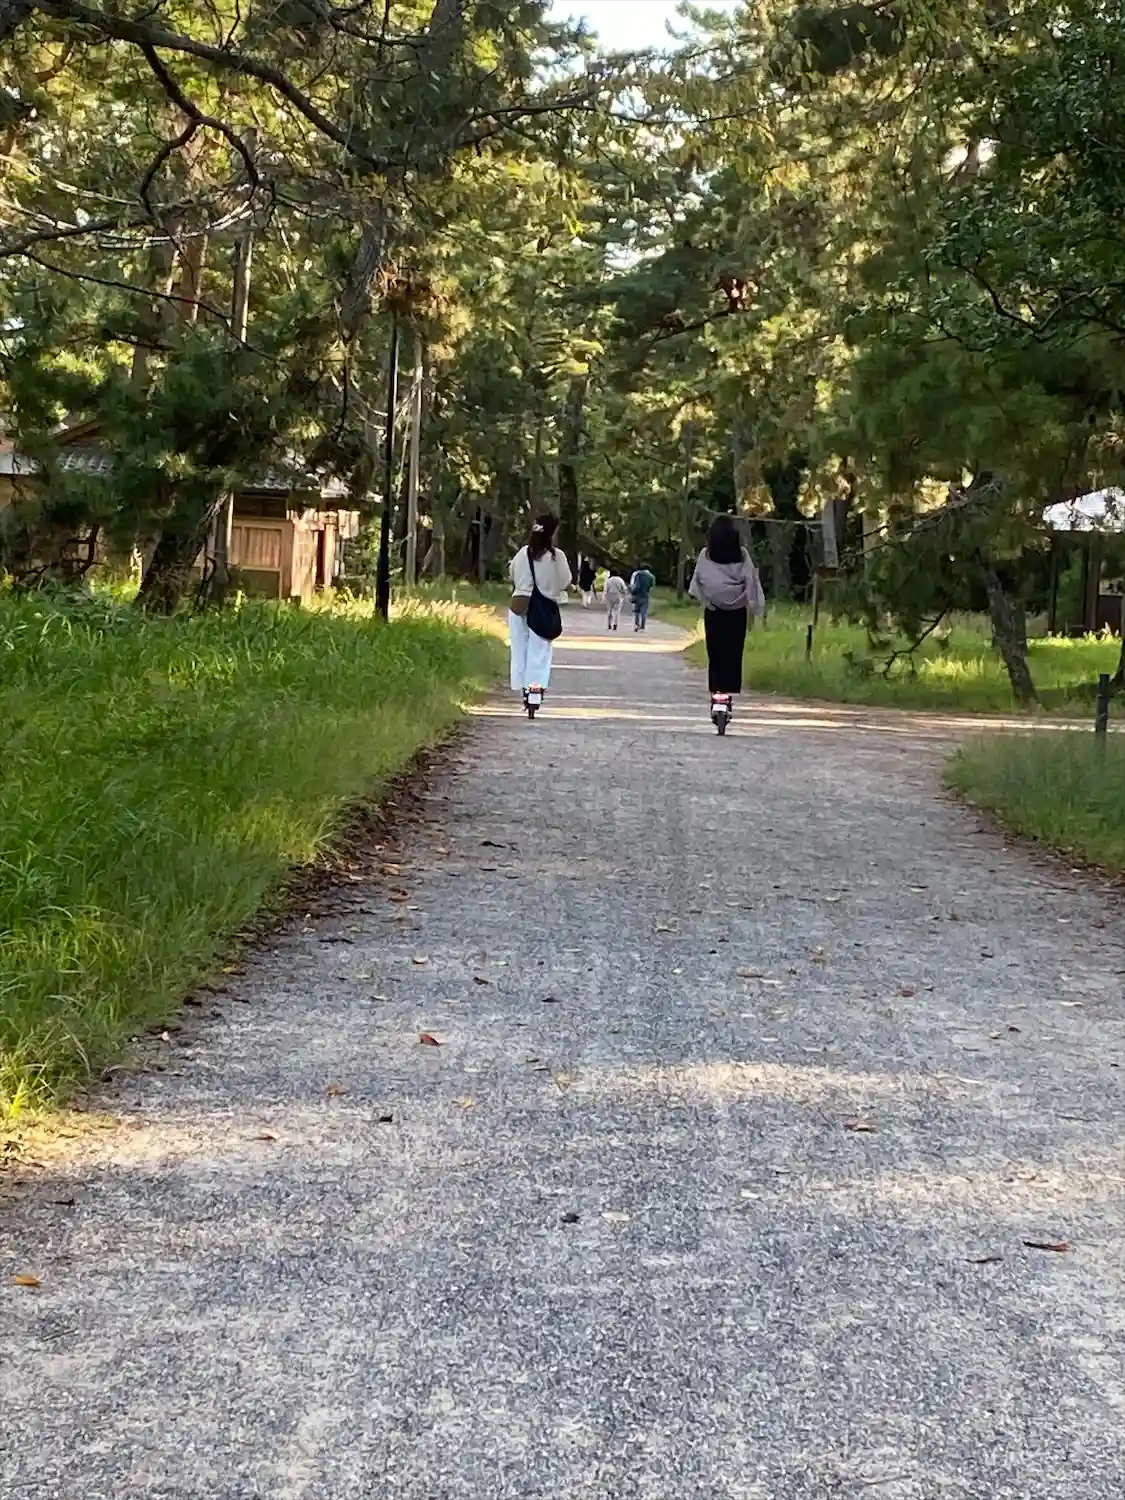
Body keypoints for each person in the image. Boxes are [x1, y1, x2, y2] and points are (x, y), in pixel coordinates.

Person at [689, 514, 765, 709]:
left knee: (715, 653)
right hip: (737, 612)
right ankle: (729, 691)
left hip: (714, 611)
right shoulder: (742, 554)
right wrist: (754, 604)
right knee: (733, 652)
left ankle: (716, 691)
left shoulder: (706, 554)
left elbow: (698, 582)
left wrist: (708, 601)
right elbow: (751, 580)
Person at [508, 514, 572, 704]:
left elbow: (512, 574)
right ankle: (535, 689)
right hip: (542, 606)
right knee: (540, 649)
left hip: (518, 604)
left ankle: (521, 685)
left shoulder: (522, 553)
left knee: (519, 648)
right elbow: (565, 580)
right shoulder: (556, 556)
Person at [629, 563, 655, 631]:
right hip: (645, 595)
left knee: (637, 611)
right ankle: (643, 626)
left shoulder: (638, 574)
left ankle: (637, 625)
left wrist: (632, 592)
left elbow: (636, 585)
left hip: (638, 595)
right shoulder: (651, 576)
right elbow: (651, 587)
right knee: (644, 612)